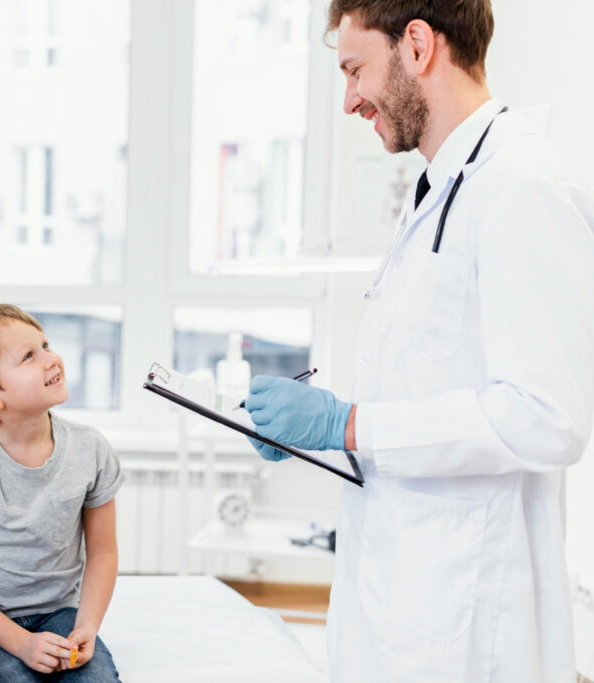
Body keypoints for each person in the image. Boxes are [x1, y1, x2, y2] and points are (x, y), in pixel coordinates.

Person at [242, 2, 594, 681]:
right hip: (402, 595)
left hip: (466, 618)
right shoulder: (442, 187)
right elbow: (432, 382)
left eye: (354, 70)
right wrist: (324, 428)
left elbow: (546, 417)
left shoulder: (522, 186)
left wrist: (346, 424)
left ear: (418, 44)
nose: (349, 100)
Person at [0, 304, 123, 682]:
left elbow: (103, 552)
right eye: (30, 356)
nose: (52, 359)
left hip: (59, 612)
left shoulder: (91, 450)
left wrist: (87, 626)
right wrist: (21, 644)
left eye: (46, 345)